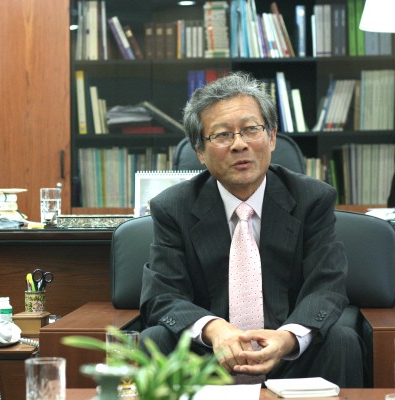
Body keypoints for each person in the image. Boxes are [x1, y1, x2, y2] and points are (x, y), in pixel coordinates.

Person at [139, 71, 364, 387]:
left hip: (290, 357)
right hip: (206, 361)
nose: (239, 144)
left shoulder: (312, 199)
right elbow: (162, 295)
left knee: (342, 341)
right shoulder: (173, 207)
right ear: (200, 151)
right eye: (222, 135)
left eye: (250, 130)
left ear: (271, 137)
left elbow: (326, 285)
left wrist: (287, 338)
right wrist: (215, 330)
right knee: (154, 339)